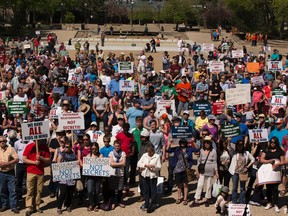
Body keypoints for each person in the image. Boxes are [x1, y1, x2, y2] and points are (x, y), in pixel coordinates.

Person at [23, 140, 50, 216]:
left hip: (40, 172)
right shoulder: (29, 146)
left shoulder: (45, 147)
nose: (37, 141)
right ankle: (29, 207)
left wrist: (41, 158)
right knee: (30, 190)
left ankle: (37, 206)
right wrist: (34, 162)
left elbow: (48, 160)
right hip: (30, 172)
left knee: (39, 190)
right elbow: (24, 159)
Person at [167, 138, 197, 205]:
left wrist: (193, 142)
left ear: (186, 143)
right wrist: (171, 143)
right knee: (179, 185)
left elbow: (197, 149)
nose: (182, 144)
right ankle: (179, 198)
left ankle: (185, 198)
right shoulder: (177, 149)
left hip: (186, 169)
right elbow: (168, 150)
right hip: (178, 169)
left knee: (185, 185)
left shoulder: (189, 149)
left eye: (184, 142)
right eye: (181, 142)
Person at [191, 136, 218, 207]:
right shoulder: (201, 151)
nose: (206, 144)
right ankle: (196, 200)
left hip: (211, 171)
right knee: (200, 185)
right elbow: (199, 161)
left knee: (209, 186)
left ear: (210, 143)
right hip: (202, 170)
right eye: (205, 143)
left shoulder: (213, 151)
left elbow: (215, 162)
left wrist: (216, 172)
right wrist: (197, 171)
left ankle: (207, 199)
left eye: (208, 143)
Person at [260, 137, 284, 213]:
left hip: (276, 171)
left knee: (275, 188)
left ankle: (276, 204)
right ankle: (269, 202)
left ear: (276, 143)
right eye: (271, 142)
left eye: (274, 142)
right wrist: (270, 161)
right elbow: (262, 159)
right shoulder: (266, 149)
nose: (272, 143)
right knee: (268, 188)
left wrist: (277, 164)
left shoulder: (280, 151)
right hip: (267, 171)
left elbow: (283, 161)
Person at [55, 136, 78, 214]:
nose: (66, 148)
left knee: (70, 193)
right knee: (63, 193)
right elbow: (58, 163)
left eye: (68, 147)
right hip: (63, 177)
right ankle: (59, 207)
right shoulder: (62, 154)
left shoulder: (73, 155)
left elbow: (76, 163)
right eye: (65, 147)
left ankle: (68, 205)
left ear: (71, 147)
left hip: (71, 177)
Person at [229, 140, 255, 204]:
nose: (239, 146)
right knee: (234, 187)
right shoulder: (234, 153)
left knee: (242, 188)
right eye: (238, 145)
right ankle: (234, 201)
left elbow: (253, 159)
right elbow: (229, 148)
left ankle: (241, 201)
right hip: (235, 172)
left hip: (243, 172)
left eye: (241, 145)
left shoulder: (246, 153)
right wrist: (229, 140)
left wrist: (248, 166)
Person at [137, 144, 161, 213]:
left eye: (151, 151)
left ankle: (153, 203)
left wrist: (154, 166)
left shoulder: (157, 156)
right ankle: (146, 202)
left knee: (153, 190)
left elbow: (159, 167)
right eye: (148, 151)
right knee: (145, 190)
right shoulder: (144, 155)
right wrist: (144, 165)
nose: (149, 153)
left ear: (153, 151)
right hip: (145, 175)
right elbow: (139, 163)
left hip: (153, 176)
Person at [0, 135, 19, 214]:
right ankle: (4, 205)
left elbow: (17, 159)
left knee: (12, 190)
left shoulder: (10, 149)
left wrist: (7, 163)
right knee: (2, 190)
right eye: (0, 141)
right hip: (1, 173)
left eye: (3, 141)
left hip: (10, 172)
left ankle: (13, 206)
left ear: (6, 141)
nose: (2, 143)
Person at [108, 140, 126, 209]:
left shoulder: (123, 153)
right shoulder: (111, 153)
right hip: (113, 173)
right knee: (112, 189)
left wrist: (116, 164)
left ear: (120, 146)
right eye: (116, 146)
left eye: (118, 146)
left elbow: (124, 163)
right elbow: (111, 164)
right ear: (113, 146)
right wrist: (120, 164)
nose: (117, 147)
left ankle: (119, 201)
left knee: (120, 189)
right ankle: (113, 202)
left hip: (120, 173)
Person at [86, 142, 103, 212]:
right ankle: (91, 203)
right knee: (90, 191)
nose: (94, 150)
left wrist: (97, 160)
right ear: (90, 149)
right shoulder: (88, 156)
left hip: (98, 177)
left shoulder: (100, 155)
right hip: (90, 177)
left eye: (95, 149)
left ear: (98, 149)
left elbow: (102, 164)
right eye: (92, 149)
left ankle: (96, 204)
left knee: (97, 191)